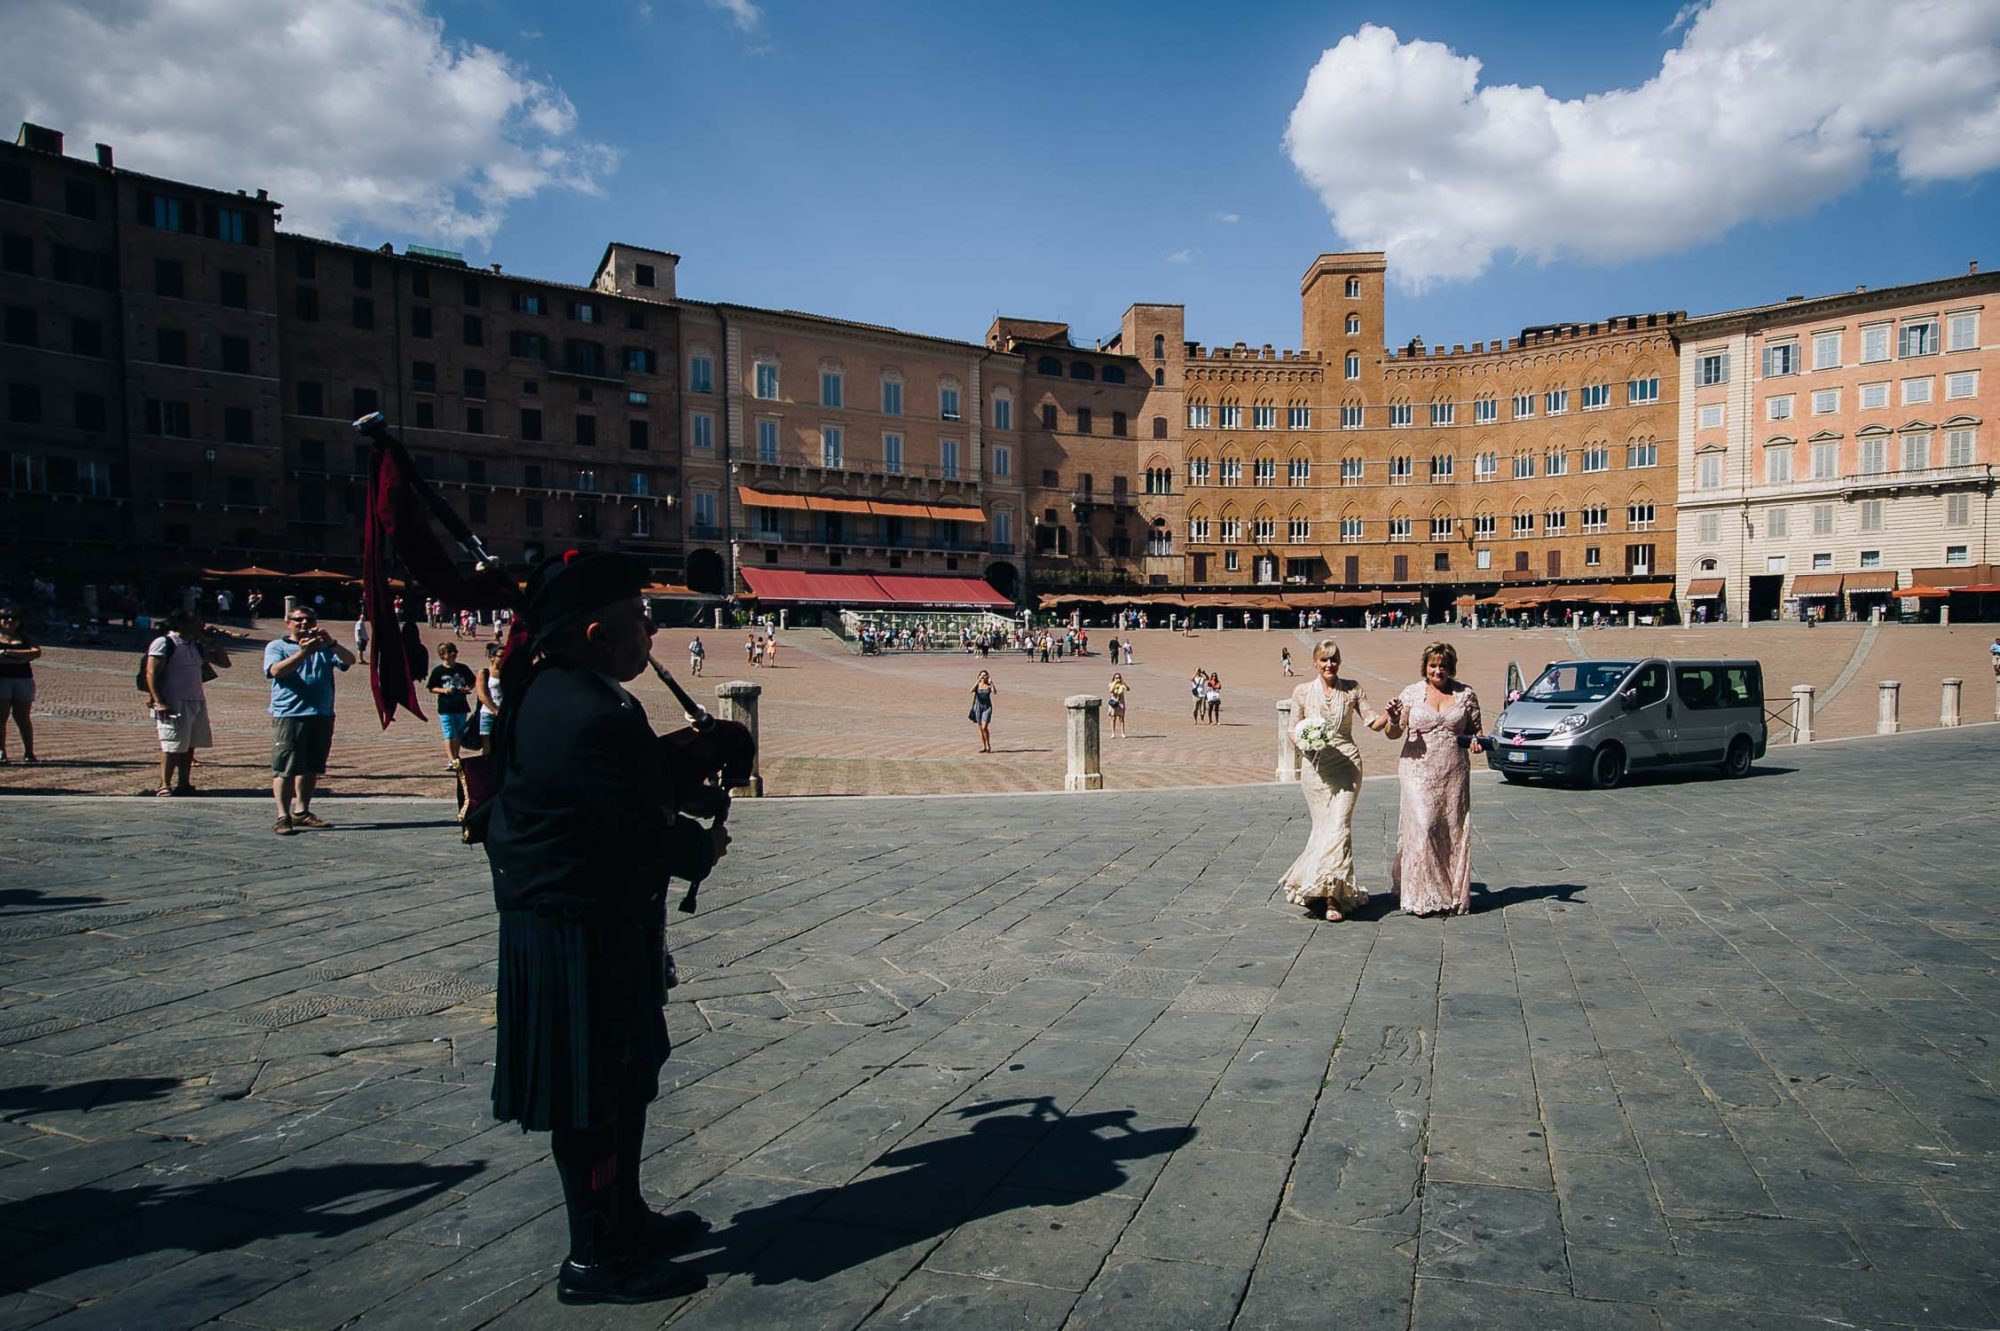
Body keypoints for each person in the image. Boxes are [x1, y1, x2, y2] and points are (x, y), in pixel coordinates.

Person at [485, 552, 723, 1304]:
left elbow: (629, 777)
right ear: (594, 631)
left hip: (600, 924)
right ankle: (593, 1255)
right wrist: (701, 845)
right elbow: (631, 828)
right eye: (637, 616)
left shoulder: (579, 691)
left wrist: (690, 756)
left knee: (626, 1077)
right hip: (573, 931)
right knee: (591, 1093)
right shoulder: (581, 711)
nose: (650, 626)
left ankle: (624, 1216)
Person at [1280, 639, 1392, 921]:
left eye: (1334, 659)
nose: (1329, 665)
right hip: (1315, 768)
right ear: (1315, 663)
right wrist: (1305, 741)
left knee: (1339, 825)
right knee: (1323, 828)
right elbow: (1292, 729)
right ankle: (1321, 885)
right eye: (1324, 660)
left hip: (1347, 766)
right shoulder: (1302, 691)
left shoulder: (1352, 689)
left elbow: (1373, 723)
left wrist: (1391, 713)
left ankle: (1333, 898)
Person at [1382, 642, 1484, 917]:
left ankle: (1450, 893)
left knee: (1450, 830)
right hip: (1417, 769)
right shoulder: (1412, 694)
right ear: (1425, 667)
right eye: (1433, 665)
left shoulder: (1466, 695)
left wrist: (1476, 743)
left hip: (1453, 771)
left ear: (1451, 668)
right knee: (1424, 827)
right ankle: (1420, 895)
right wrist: (1392, 718)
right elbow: (1393, 733)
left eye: (1443, 666)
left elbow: (1476, 732)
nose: (1438, 670)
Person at [265, 606, 355, 836]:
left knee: (311, 766)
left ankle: (302, 811)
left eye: (309, 620)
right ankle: (282, 816)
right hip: (290, 714)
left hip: (321, 713)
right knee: (285, 767)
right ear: (288, 623)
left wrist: (332, 643)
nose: (304, 624)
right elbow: (276, 671)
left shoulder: (324, 647)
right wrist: (303, 653)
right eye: (298, 620)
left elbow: (349, 660)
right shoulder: (277, 646)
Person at [145, 610, 230, 796]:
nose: (200, 626)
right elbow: (151, 672)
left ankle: (184, 783)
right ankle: (164, 784)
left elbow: (224, 663)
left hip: (196, 700)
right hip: (173, 700)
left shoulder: (196, 646)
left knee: (189, 744)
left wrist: (212, 643)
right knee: (171, 743)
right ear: (182, 624)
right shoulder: (164, 643)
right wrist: (159, 700)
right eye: (196, 623)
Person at [0, 607, 42, 764]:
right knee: (0, 718)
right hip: (2, 679)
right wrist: (21, 656)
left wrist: (6, 653)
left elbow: (35, 652)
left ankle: (29, 752)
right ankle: (1, 752)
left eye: (14, 618)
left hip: (23, 679)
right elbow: (28, 655)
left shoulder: (25, 636)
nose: (10, 621)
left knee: (23, 717)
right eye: (5, 617)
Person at [427, 642, 478, 770]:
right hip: (445, 706)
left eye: (455, 651)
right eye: (450, 652)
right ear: (443, 655)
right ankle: (451, 759)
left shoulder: (462, 668)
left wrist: (467, 688)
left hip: (461, 706)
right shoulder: (438, 671)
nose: (454, 654)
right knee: (449, 732)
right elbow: (431, 688)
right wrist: (444, 690)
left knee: (459, 732)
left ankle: (456, 756)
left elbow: (473, 681)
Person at [473, 641, 505, 748]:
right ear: (492, 657)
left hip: (505, 713)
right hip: (488, 713)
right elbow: (482, 696)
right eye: (501, 656)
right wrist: (495, 710)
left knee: (503, 745)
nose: (503, 658)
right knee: (488, 746)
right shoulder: (484, 672)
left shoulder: (508, 672)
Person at [969, 669, 996, 753]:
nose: (983, 677)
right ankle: (984, 746)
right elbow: (971, 690)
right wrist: (978, 680)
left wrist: (991, 683)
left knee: (985, 727)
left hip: (987, 707)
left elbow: (994, 692)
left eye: (985, 675)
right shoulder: (978, 684)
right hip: (978, 707)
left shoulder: (988, 685)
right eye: (982, 675)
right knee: (981, 729)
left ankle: (988, 745)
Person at [1107, 672, 1129, 739]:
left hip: (1121, 703)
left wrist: (1125, 684)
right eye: (1116, 678)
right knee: (1113, 718)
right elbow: (1111, 691)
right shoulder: (1111, 684)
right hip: (1114, 702)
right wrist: (1115, 684)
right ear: (1114, 678)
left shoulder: (1122, 685)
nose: (1118, 679)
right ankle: (1113, 733)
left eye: (1119, 677)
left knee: (1121, 718)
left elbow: (1128, 689)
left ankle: (1122, 733)